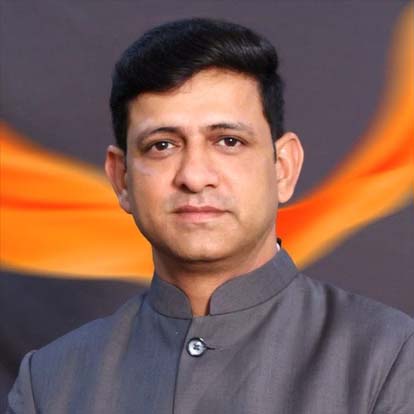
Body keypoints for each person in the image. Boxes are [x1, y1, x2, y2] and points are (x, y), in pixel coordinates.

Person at [7, 18, 414, 414]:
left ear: (283, 168)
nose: (195, 176)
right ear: (121, 178)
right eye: (162, 145)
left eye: (229, 141)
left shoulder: (390, 357)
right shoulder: (50, 382)